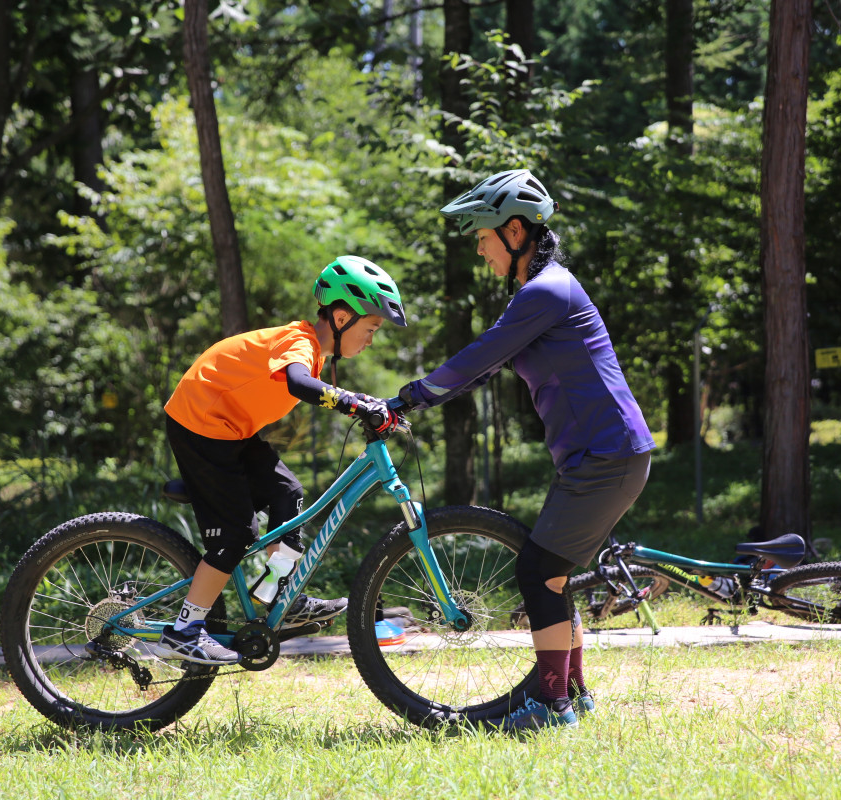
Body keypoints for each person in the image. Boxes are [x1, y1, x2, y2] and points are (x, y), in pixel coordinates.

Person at [394, 170, 655, 730]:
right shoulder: (543, 292)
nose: (481, 251)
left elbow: (482, 354)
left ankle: (551, 704)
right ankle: (573, 695)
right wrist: (427, 396)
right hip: (604, 457)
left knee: (539, 571)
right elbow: (486, 363)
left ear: (515, 231)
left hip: (606, 457)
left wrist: (410, 397)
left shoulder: (545, 291)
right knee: (550, 571)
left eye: (483, 238)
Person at [154, 256, 406, 665]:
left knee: (287, 492)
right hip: (199, 423)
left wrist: (365, 404)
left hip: (228, 428)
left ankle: (279, 595)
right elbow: (297, 382)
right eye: (371, 329)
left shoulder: (313, 350)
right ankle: (185, 630)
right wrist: (354, 404)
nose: (372, 339)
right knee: (235, 534)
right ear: (342, 317)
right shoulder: (300, 342)